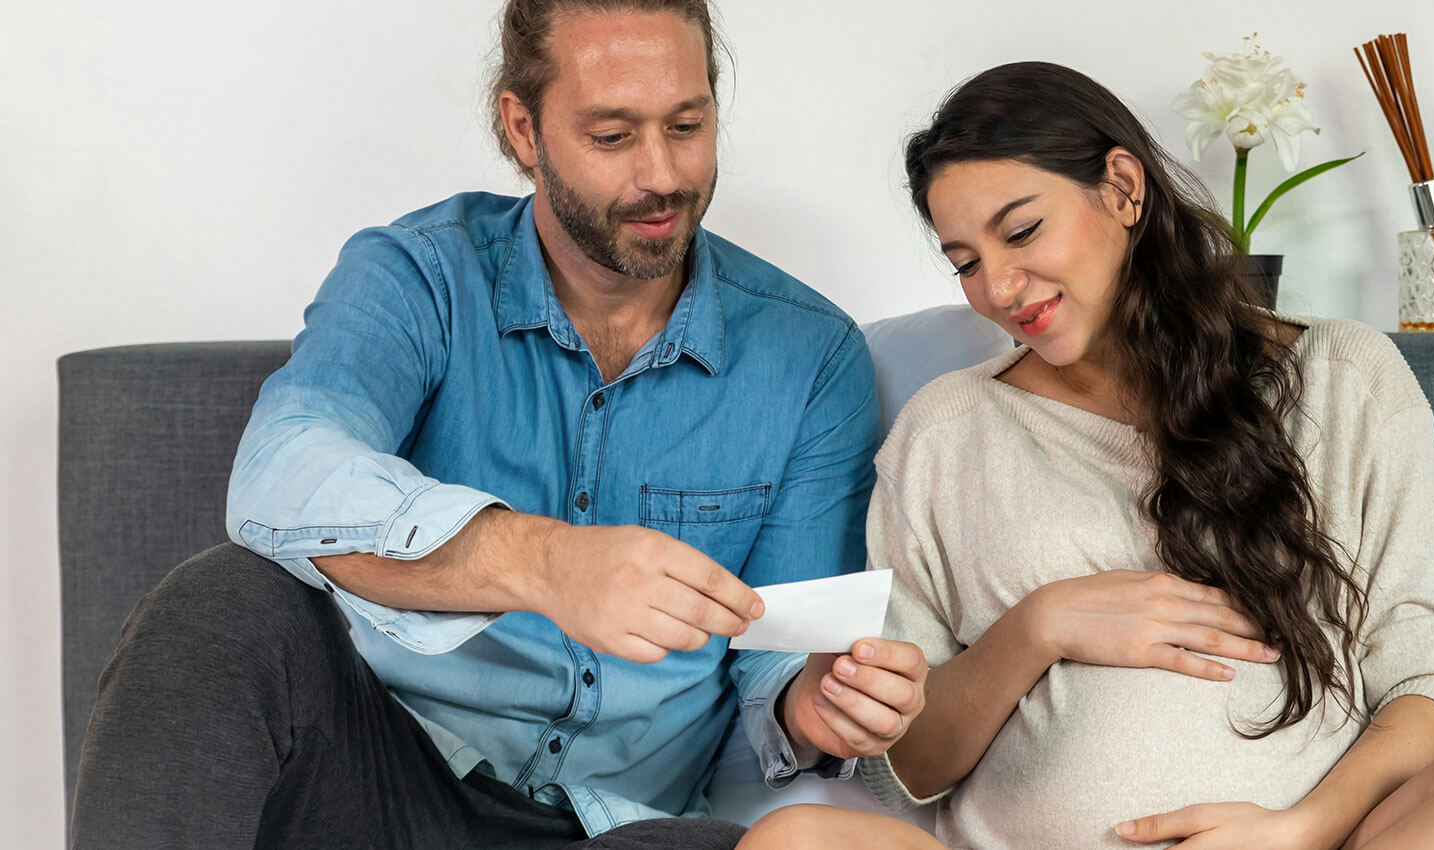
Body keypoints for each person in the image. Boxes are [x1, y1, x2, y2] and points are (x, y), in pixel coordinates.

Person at [738, 62, 1434, 850]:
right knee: (792, 841)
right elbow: (910, 768)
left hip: (1312, 846)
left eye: (1020, 232)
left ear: (1123, 187)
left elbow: (1433, 676)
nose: (999, 286)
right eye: (965, 261)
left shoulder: (1344, 378)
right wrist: (1042, 626)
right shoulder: (946, 431)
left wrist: (1304, 827)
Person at [68, 2, 927, 847]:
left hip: (620, 826)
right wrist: (542, 562)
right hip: (386, 785)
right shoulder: (418, 277)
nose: (662, 174)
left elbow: (779, 647)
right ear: (523, 128)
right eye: (612, 136)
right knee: (219, 603)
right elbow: (282, 469)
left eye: (688, 124)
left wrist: (812, 703)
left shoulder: (810, 354)